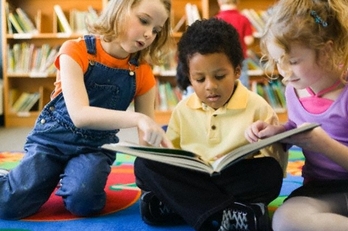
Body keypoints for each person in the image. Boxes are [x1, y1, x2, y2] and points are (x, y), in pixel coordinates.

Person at [0, 0, 173, 220]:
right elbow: (80, 115)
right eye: (144, 21)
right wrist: (137, 118)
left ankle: (62, 176)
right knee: (8, 206)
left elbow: (146, 140)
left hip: (94, 147)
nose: (149, 34)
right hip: (52, 141)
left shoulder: (143, 72)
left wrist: (165, 168)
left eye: (156, 30)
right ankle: (20, 176)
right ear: (118, 9)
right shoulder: (75, 50)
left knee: (85, 202)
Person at [134, 18, 287, 231]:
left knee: (269, 173)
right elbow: (172, 154)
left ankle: (178, 207)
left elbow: (274, 159)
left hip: (232, 177)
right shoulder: (183, 109)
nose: (210, 86)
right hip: (195, 177)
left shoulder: (258, 107)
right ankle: (229, 214)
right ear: (189, 77)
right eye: (199, 79)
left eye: (220, 76)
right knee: (144, 164)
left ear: (236, 71)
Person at [244, 0, 348, 230]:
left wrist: (323, 144)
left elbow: (320, 139)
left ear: (326, 50)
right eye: (278, 61)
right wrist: (279, 133)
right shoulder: (294, 89)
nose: (284, 72)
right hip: (320, 191)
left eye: (293, 61)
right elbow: (297, 126)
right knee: (285, 221)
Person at [215, 0, 254, 89]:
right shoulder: (243, 18)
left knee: (222, 83)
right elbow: (248, 40)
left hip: (221, 58)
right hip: (240, 57)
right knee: (242, 85)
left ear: (219, 2)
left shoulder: (216, 19)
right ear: (237, 2)